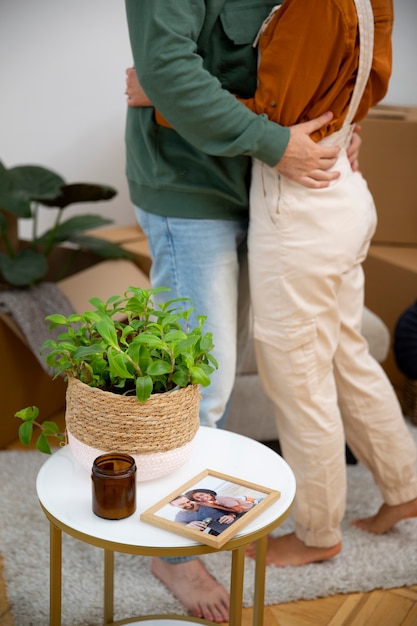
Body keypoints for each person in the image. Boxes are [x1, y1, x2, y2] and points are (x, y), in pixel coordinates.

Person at [123, 2, 360, 621]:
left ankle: (192, 518)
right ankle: (171, 556)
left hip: (265, 183)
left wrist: (337, 130)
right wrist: (273, 138)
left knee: (224, 374)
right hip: (191, 186)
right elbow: (170, 70)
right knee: (205, 382)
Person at [240, 0, 417, 568]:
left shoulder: (313, 5)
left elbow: (273, 116)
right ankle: (406, 487)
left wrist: (164, 103)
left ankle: (317, 534)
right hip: (343, 188)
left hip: (301, 209)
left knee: (298, 377)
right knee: (345, 355)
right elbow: (365, 86)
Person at [170, 495, 240, 535]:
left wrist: (231, 515)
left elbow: (232, 509)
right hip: (226, 534)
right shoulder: (180, 517)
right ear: (173, 506)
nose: (188, 505)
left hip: (239, 523)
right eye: (182, 504)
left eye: (188, 501)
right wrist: (187, 527)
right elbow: (178, 531)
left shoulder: (205, 503)